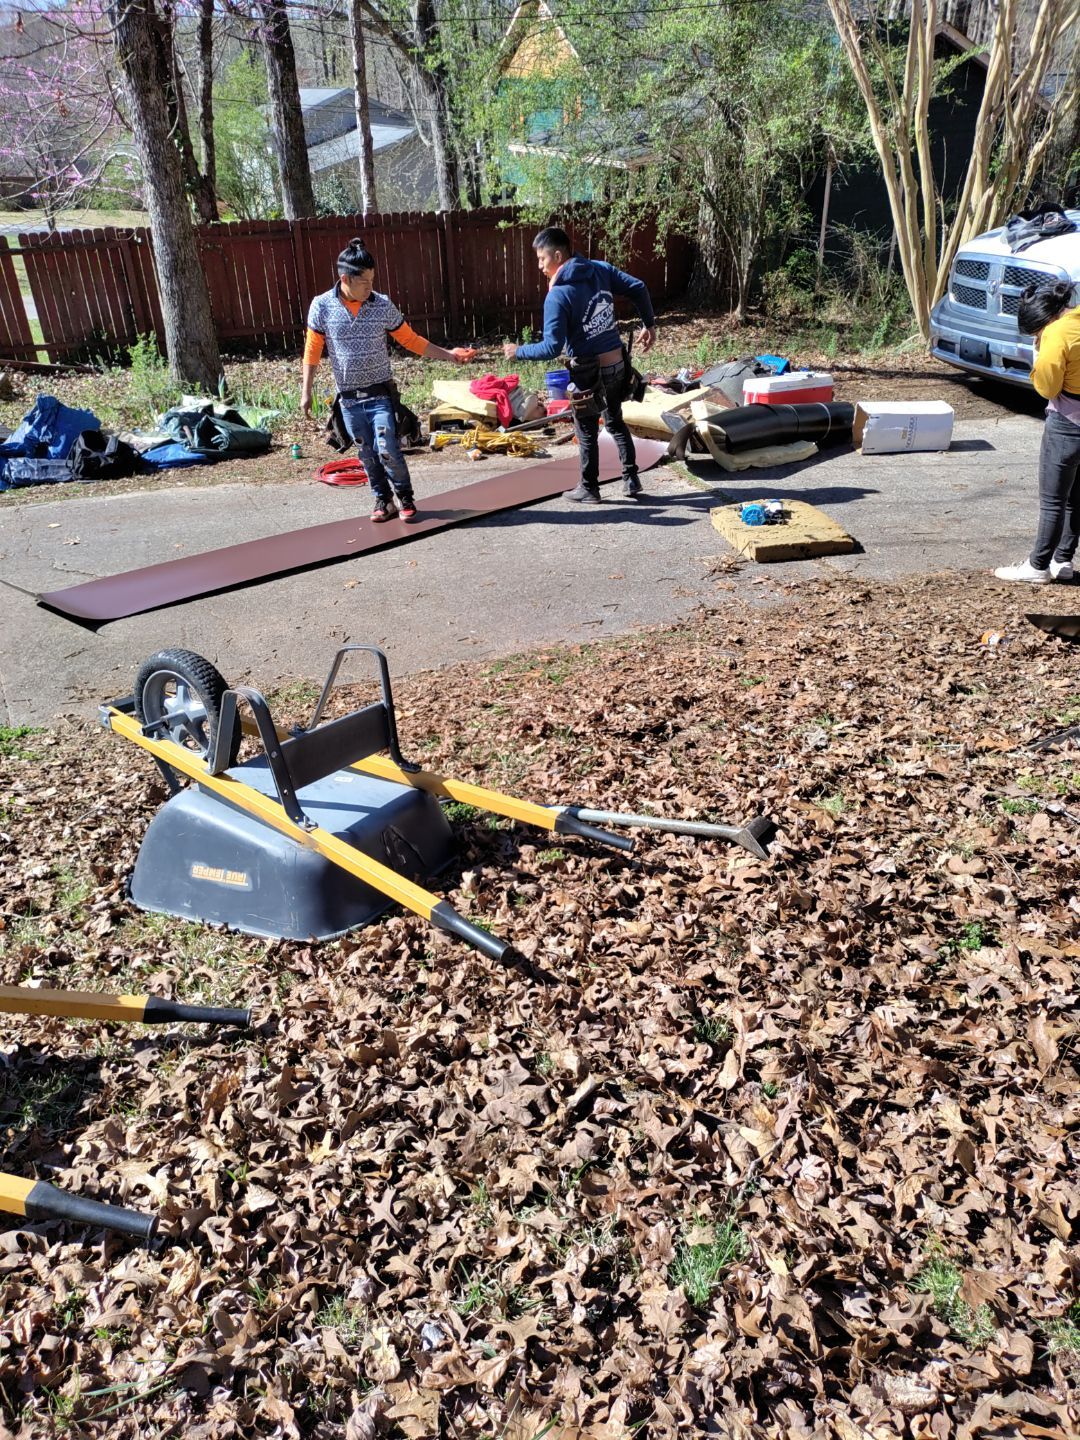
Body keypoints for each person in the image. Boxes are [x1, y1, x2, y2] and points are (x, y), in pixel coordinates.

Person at [301, 237, 472, 522]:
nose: (371, 287)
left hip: (380, 393)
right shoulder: (321, 306)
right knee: (366, 453)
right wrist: (306, 391)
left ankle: (405, 497)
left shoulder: (381, 305)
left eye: (372, 280)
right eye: (364, 282)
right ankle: (383, 501)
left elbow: (411, 340)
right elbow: (312, 350)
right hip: (350, 399)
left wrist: (448, 354)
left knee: (387, 448)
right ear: (345, 278)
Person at [503, 226, 657, 504]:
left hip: (588, 371)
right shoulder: (600, 269)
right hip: (617, 364)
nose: (539, 266)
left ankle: (589, 487)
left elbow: (551, 347)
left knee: (585, 428)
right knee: (615, 420)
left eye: (542, 259)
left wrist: (519, 352)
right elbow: (639, 287)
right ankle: (631, 478)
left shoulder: (558, 296)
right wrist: (649, 324)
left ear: (558, 255)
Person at [994, 279, 1080, 583]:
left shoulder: (1056, 334)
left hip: (1068, 423)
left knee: (1054, 499)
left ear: (1045, 321)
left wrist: (1039, 355)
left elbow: (1047, 387)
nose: (1037, 338)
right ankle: (1063, 560)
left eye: (1035, 333)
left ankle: (1037, 566)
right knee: (1076, 497)